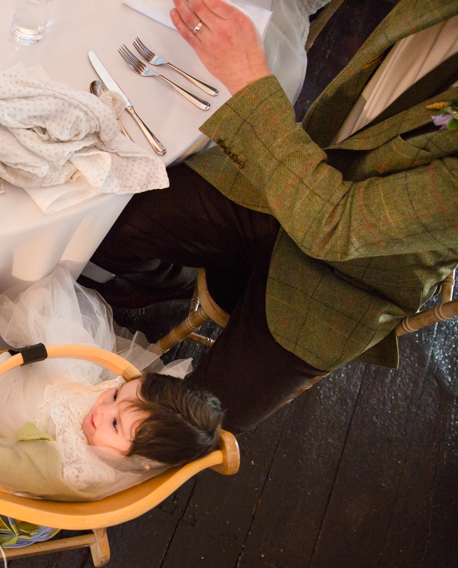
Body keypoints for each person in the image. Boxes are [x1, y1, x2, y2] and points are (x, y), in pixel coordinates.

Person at [85, 0, 458, 433]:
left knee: (187, 431)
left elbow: (333, 226)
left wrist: (247, 78)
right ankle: (182, 277)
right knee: (107, 219)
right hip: (300, 174)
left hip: (352, 279)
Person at [0, 270, 222, 501]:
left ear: (142, 460)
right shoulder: (113, 423)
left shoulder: (71, 469)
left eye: (116, 424)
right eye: (116, 394)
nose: (103, 410)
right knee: (70, 343)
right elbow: (105, 393)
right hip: (41, 388)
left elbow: (8, 467)